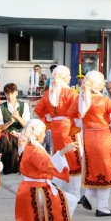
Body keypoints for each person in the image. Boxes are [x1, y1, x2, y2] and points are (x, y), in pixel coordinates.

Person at [0, 119, 79, 221]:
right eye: (43, 132)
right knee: (72, 200)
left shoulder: (25, 146)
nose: (45, 135)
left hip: (27, 188)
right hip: (38, 190)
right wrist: (63, 151)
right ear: (38, 133)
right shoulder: (35, 149)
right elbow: (47, 165)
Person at [67, 71, 111, 216]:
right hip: (104, 138)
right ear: (98, 83)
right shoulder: (103, 100)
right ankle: (102, 206)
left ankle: (88, 197)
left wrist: (79, 125)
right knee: (107, 172)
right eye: (102, 81)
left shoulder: (81, 99)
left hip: (89, 138)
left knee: (96, 171)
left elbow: (70, 114)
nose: (103, 84)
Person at [33, 66, 84, 201]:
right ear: (63, 76)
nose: (70, 77)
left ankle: (56, 182)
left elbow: (38, 109)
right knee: (74, 160)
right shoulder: (71, 93)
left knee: (60, 156)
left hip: (56, 128)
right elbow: (79, 111)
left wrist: (49, 119)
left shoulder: (48, 94)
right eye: (68, 75)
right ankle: (74, 194)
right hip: (69, 127)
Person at [0, 83, 30, 174]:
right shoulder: (0, 107)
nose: (10, 96)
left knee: (16, 168)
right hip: (7, 136)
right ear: (5, 94)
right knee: (8, 169)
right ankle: (1, 155)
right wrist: (10, 122)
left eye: (12, 93)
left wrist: (18, 118)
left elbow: (27, 125)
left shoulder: (24, 106)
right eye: (7, 94)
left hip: (19, 135)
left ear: (16, 93)